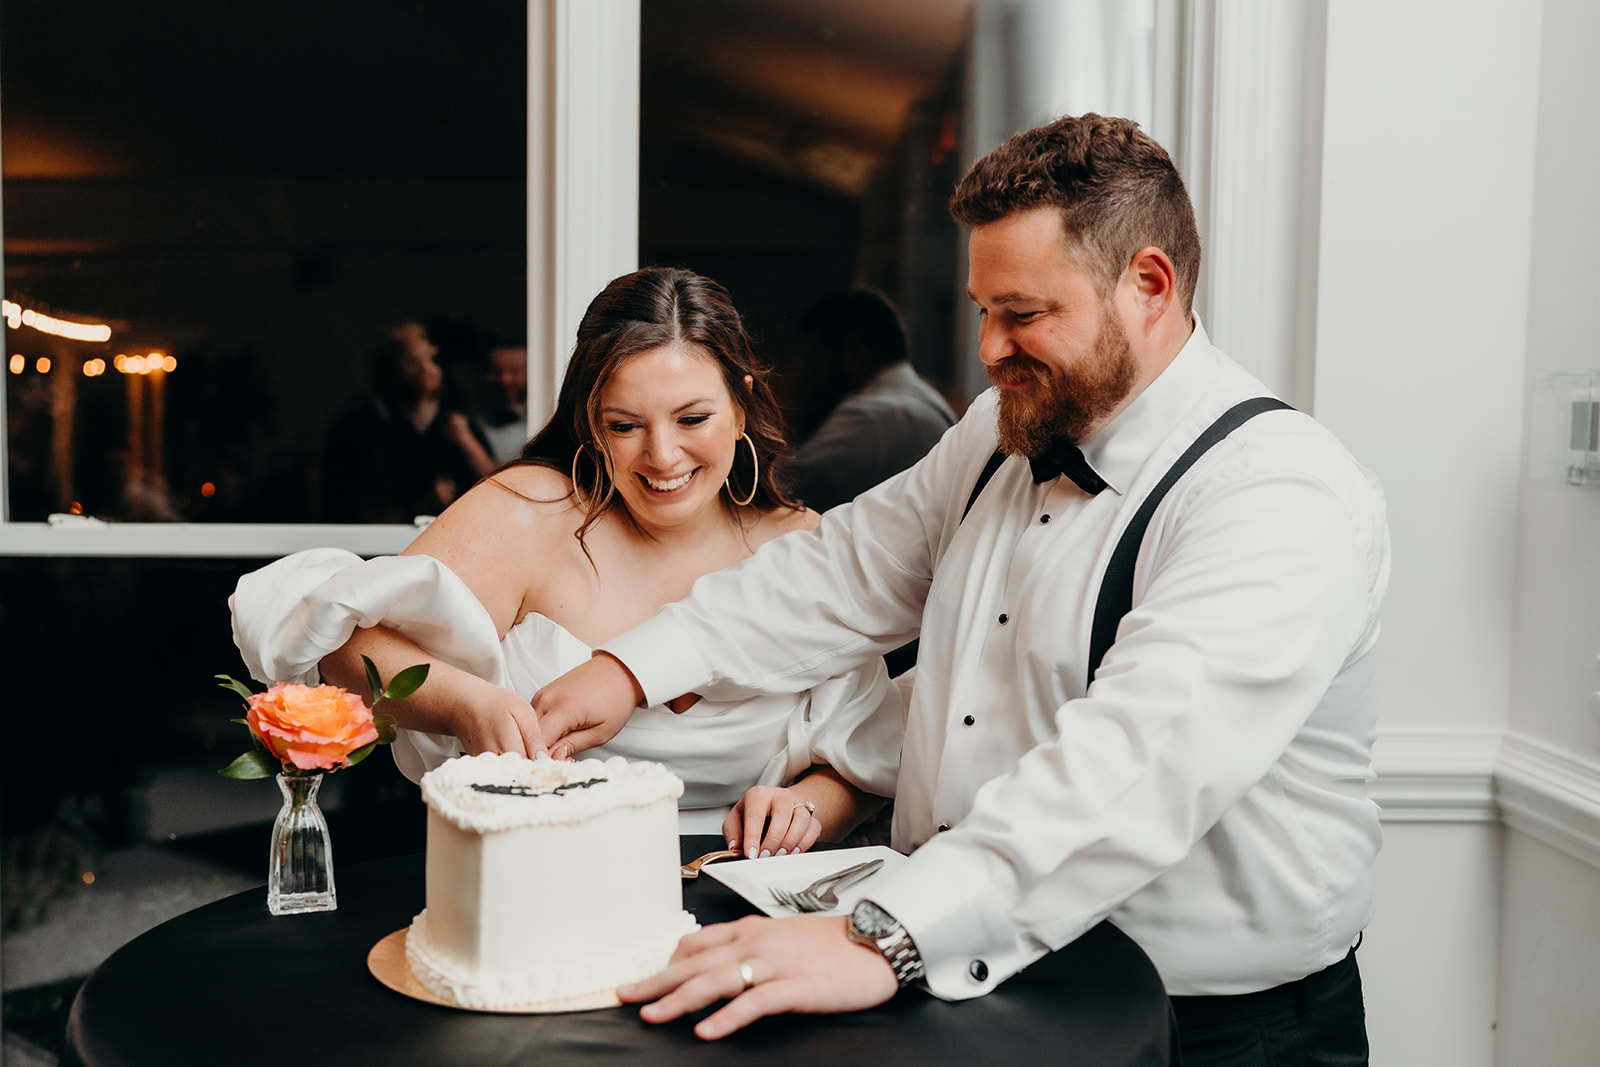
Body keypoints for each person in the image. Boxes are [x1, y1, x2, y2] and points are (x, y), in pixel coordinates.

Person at [529, 114, 1391, 1065]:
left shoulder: (1277, 493)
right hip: (982, 985)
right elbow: (838, 573)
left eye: (1023, 314)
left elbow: (1133, 763)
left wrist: (882, 932)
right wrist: (628, 669)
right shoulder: (997, 431)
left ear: (1149, 285)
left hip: (1218, 1029)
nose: (988, 347)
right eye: (984, 310)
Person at [233, 267, 901, 854]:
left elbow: (864, 754)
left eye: (692, 419)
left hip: (741, 890)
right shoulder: (531, 510)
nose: (663, 457)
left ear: (743, 402)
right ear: (589, 420)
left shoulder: (801, 545)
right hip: (537, 882)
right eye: (625, 425)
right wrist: (463, 703)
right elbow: (337, 641)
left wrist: (808, 804)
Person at [787, 289, 957, 513]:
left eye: (815, 362)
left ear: (853, 351)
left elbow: (784, 485)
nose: (810, 379)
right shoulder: (925, 398)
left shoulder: (873, 415)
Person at [320, 321, 497, 522]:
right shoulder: (363, 429)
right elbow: (351, 510)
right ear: (393, 370)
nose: (425, 370)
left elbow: (499, 491)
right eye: (413, 362)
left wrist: (467, 443)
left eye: (431, 360)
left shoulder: (460, 427)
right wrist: (424, 503)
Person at [471, 334, 531, 463]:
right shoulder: (473, 423)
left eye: (514, 372)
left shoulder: (544, 419)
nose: (505, 380)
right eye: (496, 371)